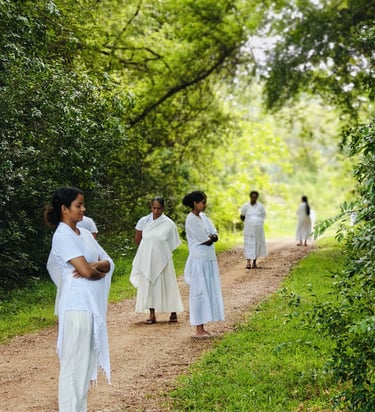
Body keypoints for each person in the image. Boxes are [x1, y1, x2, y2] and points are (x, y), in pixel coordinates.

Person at [45, 187, 114, 412]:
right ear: (65, 209)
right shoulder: (62, 235)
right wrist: (92, 268)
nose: (83, 209)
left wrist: (95, 266)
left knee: (84, 364)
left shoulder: (83, 234)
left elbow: (108, 262)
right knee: (73, 365)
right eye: (78, 205)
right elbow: (85, 272)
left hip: (90, 306)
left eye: (83, 204)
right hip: (76, 307)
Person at [130, 197, 184, 324]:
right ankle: (152, 315)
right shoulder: (144, 221)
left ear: (163, 208)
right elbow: (139, 239)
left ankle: (173, 312)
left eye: (159, 208)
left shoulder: (168, 224)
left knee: (168, 284)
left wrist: (161, 251)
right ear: (151, 207)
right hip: (147, 259)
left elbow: (172, 242)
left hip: (163, 259)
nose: (156, 211)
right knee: (150, 285)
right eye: (154, 208)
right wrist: (145, 253)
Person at [182, 191, 224, 338]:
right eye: (203, 202)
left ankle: (203, 326)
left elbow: (214, 234)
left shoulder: (203, 217)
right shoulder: (191, 219)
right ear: (195, 203)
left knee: (208, 290)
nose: (205, 205)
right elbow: (205, 239)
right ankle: (198, 328)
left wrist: (211, 237)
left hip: (208, 258)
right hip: (199, 259)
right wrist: (211, 237)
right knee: (199, 292)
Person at [240, 190, 267, 269]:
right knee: (248, 243)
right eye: (252, 197)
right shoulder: (245, 206)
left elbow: (263, 216)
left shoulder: (260, 207)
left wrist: (257, 222)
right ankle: (248, 262)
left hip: (258, 230)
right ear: (250, 197)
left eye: (255, 197)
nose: (254, 199)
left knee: (256, 243)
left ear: (257, 198)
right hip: (248, 229)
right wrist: (248, 221)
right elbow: (242, 216)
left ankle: (254, 262)